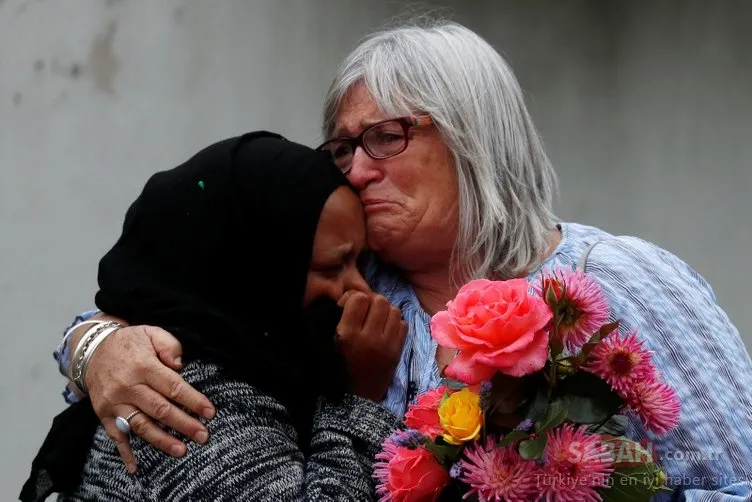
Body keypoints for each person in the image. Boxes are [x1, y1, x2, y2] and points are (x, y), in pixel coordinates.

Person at [50, 21, 752, 500]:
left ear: (476, 139)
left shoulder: (613, 280)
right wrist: (99, 346)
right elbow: (181, 309)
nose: (355, 170)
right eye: (341, 150)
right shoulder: (330, 287)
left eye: (385, 137)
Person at [21, 132, 405, 501]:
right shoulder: (180, 397)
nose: (363, 292)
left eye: (361, 263)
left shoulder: (259, 360)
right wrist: (358, 398)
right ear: (253, 271)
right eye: (331, 267)